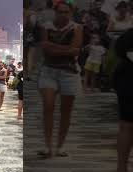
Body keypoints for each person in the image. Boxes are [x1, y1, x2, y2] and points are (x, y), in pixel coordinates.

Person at [38, 1, 83, 158]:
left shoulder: (76, 28)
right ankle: (47, 145)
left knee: (66, 110)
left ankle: (60, 146)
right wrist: (66, 49)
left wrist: (53, 47)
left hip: (69, 72)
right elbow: (44, 49)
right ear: (55, 12)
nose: (63, 15)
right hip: (48, 71)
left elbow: (75, 51)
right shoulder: (46, 26)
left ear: (70, 13)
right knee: (48, 106)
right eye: (61, 12)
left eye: (66, 12)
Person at [114, 28, 133, 172]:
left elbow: (120, 49)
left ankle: (121, 170)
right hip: (128, 78)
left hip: (125, 77)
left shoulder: (127, 36)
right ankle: (121, 170)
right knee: (126, 126)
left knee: (126, 125)